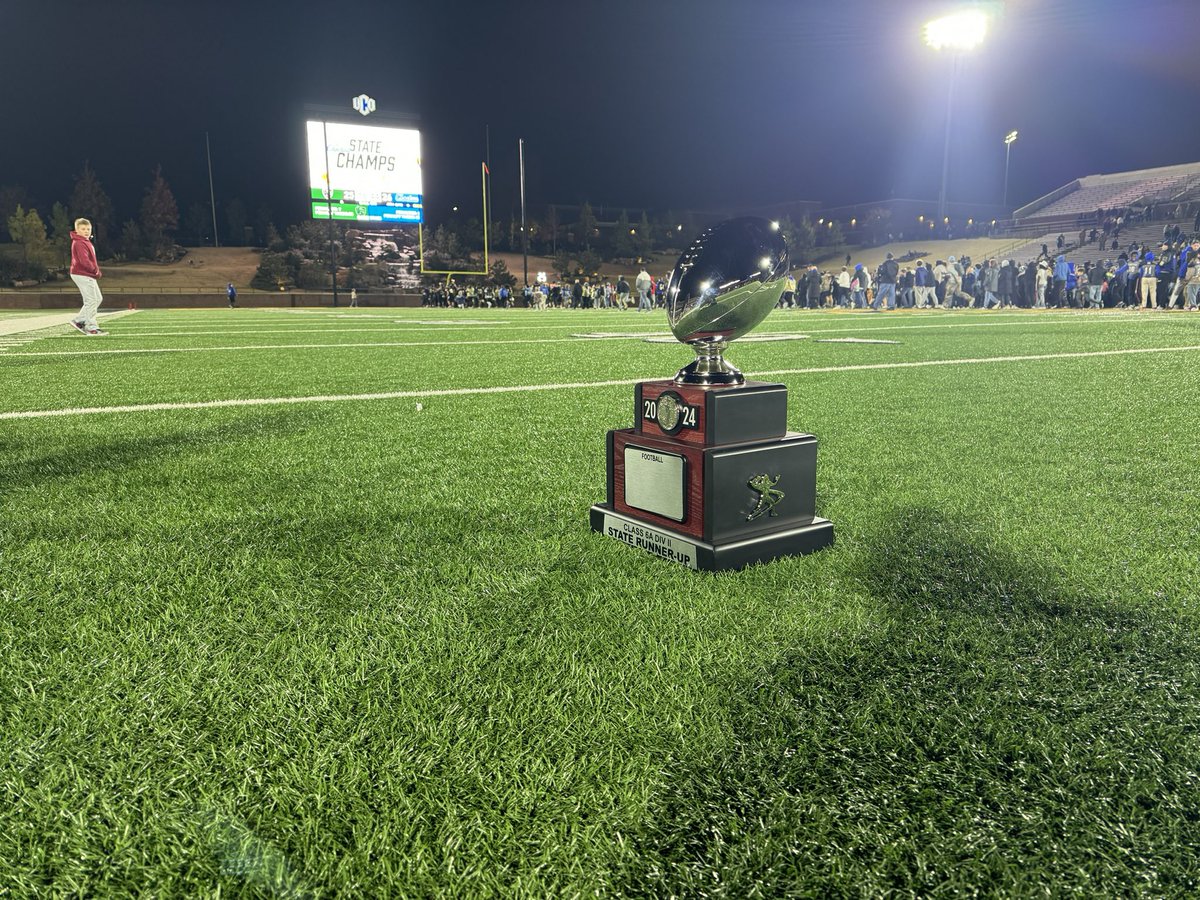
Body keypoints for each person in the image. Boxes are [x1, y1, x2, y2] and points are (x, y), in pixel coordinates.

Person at [68, 218, 107, 336]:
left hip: (84, 274)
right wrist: (95, 271)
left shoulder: (84, 241)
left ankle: (79, 320)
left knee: (97, 299)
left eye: (88, 229)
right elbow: (84, 261)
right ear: (77, 230)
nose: (86, 231)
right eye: (83, 229)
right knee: (91, 300)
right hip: (82, 273)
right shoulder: (79, 242)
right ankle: (91, 327)